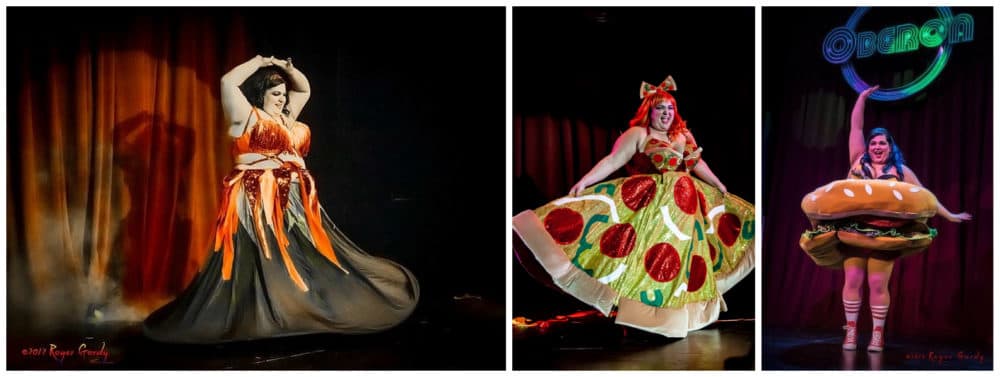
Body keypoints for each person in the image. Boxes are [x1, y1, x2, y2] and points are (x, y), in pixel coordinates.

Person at [143, 55, 420, 343]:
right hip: (257, 195)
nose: (281, 99)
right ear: (260, 94)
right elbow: (228, 81)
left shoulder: (287, 118)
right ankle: (260, 315)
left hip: (294, 198)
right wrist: (260, 62)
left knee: (305, 255)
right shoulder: (246, 116)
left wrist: (288, 70)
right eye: (275, 94)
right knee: (264, 257)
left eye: (283, 95)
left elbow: (304, 90)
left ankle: (301, 307)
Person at [512, 76, 755, 337]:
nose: (666, 114)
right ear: (649, 112)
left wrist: (719, 184)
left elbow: (697, 164)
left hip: (686, 210)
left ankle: (677, 320)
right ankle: (650, 319)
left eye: (670, 108)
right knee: (655, 261)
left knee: (682, 264)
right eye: (660, 108)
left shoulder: (684, 135)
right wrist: (585, 181)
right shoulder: (639, 134)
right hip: (656, 207)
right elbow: (612, 161)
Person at [810, 85, 971, 352]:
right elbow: (856, 128)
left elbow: (925, 197)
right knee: (852, 280)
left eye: (881, 142)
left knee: (877, 283)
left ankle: (876, 335)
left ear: (890, 146)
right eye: (873, 143)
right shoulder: (856, 162)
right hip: (854, 233)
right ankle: (850, 333)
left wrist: (950, 215)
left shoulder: (900, 171)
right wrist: (861, 99)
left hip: (884, 235)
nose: (876, 146)